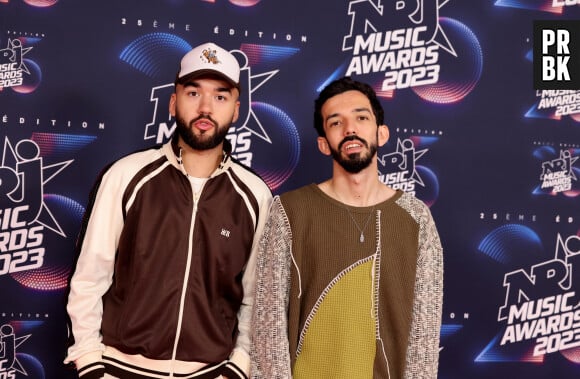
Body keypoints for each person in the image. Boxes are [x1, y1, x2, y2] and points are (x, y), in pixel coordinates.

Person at [64, 42, 272, 379]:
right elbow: (89, 277)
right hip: (120, 368)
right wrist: (90, 363)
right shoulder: (125, 175)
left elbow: (257, 298)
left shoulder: (255, 195)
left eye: (220, 97)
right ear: (174, 103)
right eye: (193, 93)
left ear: (236, 110)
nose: (205, 107)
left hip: (211, 372)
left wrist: (237, 368)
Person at [250, 76, 443, 378]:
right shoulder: (289, 211)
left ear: (382, 133)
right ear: (324, 144)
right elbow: (268, 328)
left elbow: (424, 339)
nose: (350, 129)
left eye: (361, 118)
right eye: (336, 122)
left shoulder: (416, 217)